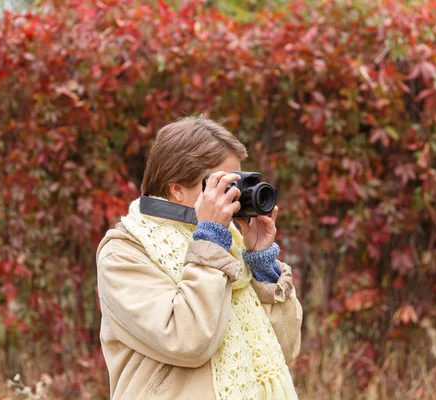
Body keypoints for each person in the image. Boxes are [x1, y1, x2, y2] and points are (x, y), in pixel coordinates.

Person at [96, 116, 303, 399]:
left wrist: (261, 264)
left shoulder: (229, 239)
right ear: (176, 188)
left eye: (237, 182)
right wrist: (211, 240)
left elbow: (286, 347)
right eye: (221, 185)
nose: (235, 197)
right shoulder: (125, 253)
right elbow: (189, 341)